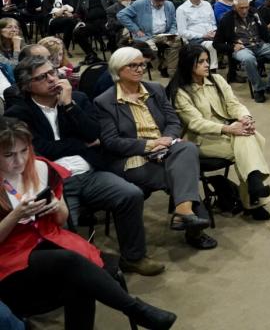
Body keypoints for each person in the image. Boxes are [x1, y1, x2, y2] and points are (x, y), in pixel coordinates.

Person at [0, 118, 177, 329]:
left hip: (49, 242)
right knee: (70, 262)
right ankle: (135, 309)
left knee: (79, 282)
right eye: (8, 155)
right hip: (9, 256)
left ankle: (137, 311)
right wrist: (14, 215)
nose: (19, 161)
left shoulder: (40, 168)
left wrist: (56, 206)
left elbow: (61, 220)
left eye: (24, 151)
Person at [6, 57, 164, 276]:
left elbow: (94, 134)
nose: (52, 79)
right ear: (26, 85)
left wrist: (69, 106)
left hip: (90, 173)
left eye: (52, 72)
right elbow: (38, 150)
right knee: (60, 224)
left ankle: (134, 257)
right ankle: (72, 276)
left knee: (130, 194)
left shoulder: (77, 99)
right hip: (54, 182)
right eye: (42, 77)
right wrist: (79, 145)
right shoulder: (18, 113)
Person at [94, 47, 217, 250]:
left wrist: (168, 138)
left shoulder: (155, 89)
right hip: (133, 158)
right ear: (118, 69)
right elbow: (111, 141)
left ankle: (184, 213)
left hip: (165, 148)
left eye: (142, 64)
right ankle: (192, 225)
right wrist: (149, 144)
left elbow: (173, 120)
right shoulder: (105, 101)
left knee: (187, 149)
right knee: (182, 176)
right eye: (133, 65)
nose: (140, 69)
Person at [166, 45, 270, 220]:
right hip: (200, 140)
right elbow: (195, 123)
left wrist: (245, 118)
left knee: (246, 137)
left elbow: (233, 104)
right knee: (250, 142)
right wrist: (229, 128)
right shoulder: (180, 92)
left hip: (227, 132)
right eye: (201, 62)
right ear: (188, 64)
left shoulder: (216, 80)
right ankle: (254, 197)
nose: (207, 65)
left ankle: (254, 182)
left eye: (207, 60)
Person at [216, 0, 270, 102]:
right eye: (241, 8)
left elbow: (264, 30)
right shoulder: (227, 19)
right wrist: (232, 47)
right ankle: (259, 88)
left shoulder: (254, 13)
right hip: (242, 47)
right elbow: (217, 43)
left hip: (259, 44)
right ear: (234, 7)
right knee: (248, 59)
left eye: (246, 7)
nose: (244, 10)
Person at [116, 0, 181, 78]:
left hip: (165, 33)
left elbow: (174, 22)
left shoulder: (169, 4)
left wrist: (172, 32)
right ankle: (161, 66)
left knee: (178, 41)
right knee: (151, 48)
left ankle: (171, 70)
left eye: (163, 0)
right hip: (147, 35)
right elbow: (121, 15)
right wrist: (136, 29)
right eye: (158, 0)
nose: (161, 3)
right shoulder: (139, 4)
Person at [73, 0, 118, 64]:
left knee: (112, 29)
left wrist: (112, 19)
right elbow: (77, 14)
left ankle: (114, 52)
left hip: (107, 20)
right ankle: (91, 55)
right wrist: (79, 21)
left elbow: (117, 6)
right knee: (77, 32)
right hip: (91, 23)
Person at [175, 0, 218, 71]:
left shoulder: (207, 4)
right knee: (212, 45)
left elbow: (213, 23)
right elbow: (182, 32)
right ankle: (212, 71)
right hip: (196, 40)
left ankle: (233, 73)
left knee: (229, 42)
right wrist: (203, 35)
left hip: (212, 36)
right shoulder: (182, 9)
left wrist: (214, 32)